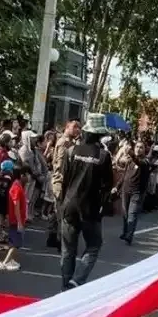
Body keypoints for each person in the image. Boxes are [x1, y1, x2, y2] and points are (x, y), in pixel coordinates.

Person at [58, 114, 113, 291]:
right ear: (99, 136)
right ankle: (78, 279)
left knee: (68, 250)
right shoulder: (104, 156)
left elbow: (64, 180)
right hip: (90, 209)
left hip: (69, 206)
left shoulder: (71, 151)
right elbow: (107, 186)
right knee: (94, 245)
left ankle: (66, 285)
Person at [46, 120, 80, 248]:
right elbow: (60, 167)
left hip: (63, 182)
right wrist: (60, 186)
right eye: (75, 127)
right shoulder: (63, 143)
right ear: (67, 127)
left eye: (79, 128)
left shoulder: (70, 142)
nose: (78, 130)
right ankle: (60, 240)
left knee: (56, 211)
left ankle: (52, 236)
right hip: (60, 182)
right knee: (61, 213)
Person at [115, 140, 151, 245]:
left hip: (137, 192)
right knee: (125, 213)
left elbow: (139, 162)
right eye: (137, 147)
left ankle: (129, 236)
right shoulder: (130, 161)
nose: (138, 149)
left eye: (141, 147)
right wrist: (117, 187)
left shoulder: (145, 162)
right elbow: (124, 176)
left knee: (132, 214)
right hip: (126, 190)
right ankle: (125, 232)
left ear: (145, 150)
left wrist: (130, 154)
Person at [0, 167, 28, 271]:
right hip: (16, 221)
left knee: (14, 242)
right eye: (26, 175)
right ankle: (5, 262)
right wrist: (19, 222)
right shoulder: (16, 187)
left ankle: (11, 260)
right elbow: (16, 205)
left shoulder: (18, 185)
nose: (28, 177)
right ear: (22, 175)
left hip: (17, 220)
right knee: (16, 243)